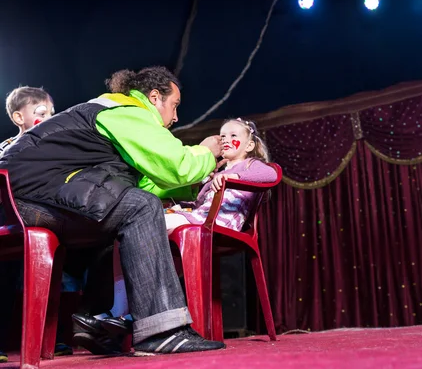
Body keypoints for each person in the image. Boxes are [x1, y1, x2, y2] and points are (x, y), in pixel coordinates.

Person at [0, 66, 226, 355]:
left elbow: (148, 186)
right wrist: (206, 152)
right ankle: (163, 331)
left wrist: (197, 182)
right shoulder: (127, 111)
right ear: (154, 97)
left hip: (31, 194)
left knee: (128, 211)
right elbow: (177, 166)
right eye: (174, 106)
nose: (176, 117)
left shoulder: (116, 116)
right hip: (27, 195)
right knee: (140, 208)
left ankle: (93, 319)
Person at [72, 118, 277, 338]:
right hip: (198, 218)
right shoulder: (215, 174)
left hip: (219, 224)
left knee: (139, 225)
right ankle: (120, 310)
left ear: (249, 145)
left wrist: (233, 175)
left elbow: (272, 174)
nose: (226, 140)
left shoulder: (249, 166)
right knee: (123, 235)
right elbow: (200, 206)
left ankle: (140, 315)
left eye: (234, 136)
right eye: (223, 136)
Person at [0, 87, 73, 362]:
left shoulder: (58, 147)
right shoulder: (6, 148)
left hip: (46, 220)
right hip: (10, 221)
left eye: (52, 114)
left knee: (61, 277)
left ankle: (55, 338)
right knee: (6, 280)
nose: (49, 118)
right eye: (42, 113)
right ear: (20, 117)